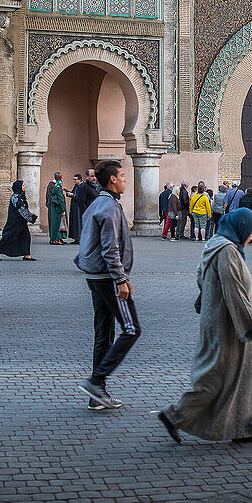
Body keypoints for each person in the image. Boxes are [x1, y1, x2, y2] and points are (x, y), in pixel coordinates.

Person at [157, 208, 252, 445]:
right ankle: (174, 415)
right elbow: (234, 289)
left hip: (218, 319)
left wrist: (210, 298)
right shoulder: (227, 251)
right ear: (242, 228)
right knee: (216, 377)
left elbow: (201, 276)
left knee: (238, 377)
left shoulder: (217, 243)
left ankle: (243, 428)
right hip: (227, 324)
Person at [75, 159, 140, 410]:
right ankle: (96, 381)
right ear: (112, 179)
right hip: (107, 278)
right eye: (122, 175)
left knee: (104, 333)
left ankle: (96, 396)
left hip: (95, 277)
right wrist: (121, 278)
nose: (125, 179)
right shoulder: (110, 207)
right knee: (132, 329)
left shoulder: (96, 203)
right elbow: (110, 247)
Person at [0, 180, 37, 261]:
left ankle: (26, 254)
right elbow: (21, 209)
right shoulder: (16, 197)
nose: (24, 187)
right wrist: (32, 218)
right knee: (9, 237)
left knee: (26, 237)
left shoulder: (20, 196)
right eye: (23, 185)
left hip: (21, 222)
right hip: (15, 222)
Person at [70, 169, 100, 244]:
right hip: (88, 216)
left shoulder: (96, 187)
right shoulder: (84, 187)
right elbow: (81, 202)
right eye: (92, 176)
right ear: (87, 177)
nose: (94, 178)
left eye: (95, 176)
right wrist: (86, 214)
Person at [47, 172, 67, 245]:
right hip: (57, 209)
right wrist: (63, 209)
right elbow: (60, 200)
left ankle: (54, 239)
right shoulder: (55, 187)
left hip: (53, 208)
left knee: (54, 224)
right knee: (58, 224)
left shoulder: (54, 187)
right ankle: (57, 239)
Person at [67, 173, 84, 243]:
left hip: (79, 208)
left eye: (75, 179)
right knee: (74, 222)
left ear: (79, 180)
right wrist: (68, 192)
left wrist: (72, 195)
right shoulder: (76, 186)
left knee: (78, 222)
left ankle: (79, 238)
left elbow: (81, 197)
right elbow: (73, 193)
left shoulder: (83, 187)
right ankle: (75, 238)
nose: (74, 181)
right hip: (74, 207)